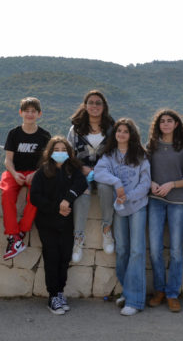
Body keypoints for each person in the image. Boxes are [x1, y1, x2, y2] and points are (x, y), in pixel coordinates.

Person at [94, 118, 151, 316]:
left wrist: (129, 196)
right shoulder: (109, 155)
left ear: (131, 135)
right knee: (123, 250)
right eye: (119, 131)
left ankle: (135, 301)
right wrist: (117, 183)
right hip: (119, 208)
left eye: (126, 131)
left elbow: (146, 183)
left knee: (136, 251)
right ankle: (127, 292)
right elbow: (98, 172)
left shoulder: (141, 156)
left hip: (137, 206)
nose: (121, 134)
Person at [146, 109, 183, 312]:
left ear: (176, 124)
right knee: (155, 249)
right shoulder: (151, 147)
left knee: (176, 251)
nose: (166, 124)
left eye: (170, 121)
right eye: (162, 121)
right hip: (155, 201)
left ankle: (172, 294)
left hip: (178, 203)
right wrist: (150, 183)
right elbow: (142, 171)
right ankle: (159, 290)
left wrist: (172, 185)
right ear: (158, 125)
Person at [30, 136, 88, 314]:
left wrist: (67, 200)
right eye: (56, 150)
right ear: (50, 152)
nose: (60, 153)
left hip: (66, 223)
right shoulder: (42, 172)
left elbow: (81, 183)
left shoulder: (73, 169)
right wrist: (57, 207)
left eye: (64, 150)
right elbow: (35, 197)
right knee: (52, 257)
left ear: (69, 152)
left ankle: (60, 292)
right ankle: (52, 296)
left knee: (64, 258)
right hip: (47, 222)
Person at [67, 90, 115, 262]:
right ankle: (78, 238)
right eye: (91, 102)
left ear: (104, 106)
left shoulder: (111, 128)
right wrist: (82, 168)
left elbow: (117, 154)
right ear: (85, 106)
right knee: (82, 192)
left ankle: (106, 230)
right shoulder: (76, 129)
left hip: (104, 173)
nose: (94, 106)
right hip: (82, 172)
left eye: (98, 103)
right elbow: (69, 154)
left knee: (105, 188)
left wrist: (101, 170)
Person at [1, 97, 50, 260]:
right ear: (20, 113)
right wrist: (15, 174)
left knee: (35, 196)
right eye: (26, 111)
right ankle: (13, 234)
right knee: (7, 194)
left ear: (39, 114)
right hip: (14, 172)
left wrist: (35, 174)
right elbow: (8, 160)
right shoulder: (14, 133)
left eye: (33, 111)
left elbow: (46, 162)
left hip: (35, 173)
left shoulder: (44, 135)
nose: (30, 114)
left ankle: (21, 231)